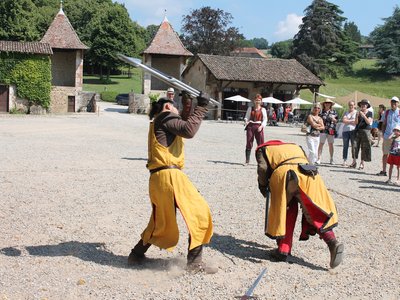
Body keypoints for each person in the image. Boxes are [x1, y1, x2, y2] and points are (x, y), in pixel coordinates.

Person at [128, 93, 217, 274]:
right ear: (168, 107)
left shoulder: (160, 122)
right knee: (199, 213)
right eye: (175, 106)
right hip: (170, 176)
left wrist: (188, 104)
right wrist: (201, 106)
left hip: (159, 178)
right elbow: (189, 130)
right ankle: (194, 263)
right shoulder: (165, 117)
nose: (177, 109)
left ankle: (136, 255)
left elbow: (183, 122)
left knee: (159, 222)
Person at [255, 140, 344, 269]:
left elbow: (263, 169)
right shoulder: (296, 146)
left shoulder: (263, 149)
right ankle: (332, 242)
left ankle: (283, 249)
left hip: (286, 174)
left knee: (285, 210)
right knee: (314, 211)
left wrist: (263, 187)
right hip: (309, 174)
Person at [377, 96, 400, 176]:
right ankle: (384, 171)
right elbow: (383, 124)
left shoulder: (399, 112)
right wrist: (383, 133)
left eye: (395, 102)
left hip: (397, 138)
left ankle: (397, 174)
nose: (393, 104)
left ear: (398, 103)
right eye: (392, 102)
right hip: (387, 136)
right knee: (385, 154)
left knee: (397, 155)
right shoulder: (387, 112)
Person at [244, 94, 267, 165]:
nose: (257, 101)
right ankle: (247, 161)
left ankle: (261, 161)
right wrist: (246, 121)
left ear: (261, 101)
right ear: (254, 101)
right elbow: (246, 117)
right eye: (256, 100)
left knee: (260, 144)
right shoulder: (250, 108)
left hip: (258, 126)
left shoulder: (263, 109)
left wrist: (262, 126)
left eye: (259, 100)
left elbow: (265, 119)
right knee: (249, 142)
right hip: (250, 126)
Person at [353, 99, 373, 170]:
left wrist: (364, 115)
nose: (363, 105)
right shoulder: (358, 112)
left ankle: (362, 163)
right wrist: (356, 116)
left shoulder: (370, 113)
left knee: (364, 147)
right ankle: (354, 162)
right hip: (358, 130)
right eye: (362, 104)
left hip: (366, 131)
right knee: (355, 146)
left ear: (367, 105)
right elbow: (355, 123)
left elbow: (368, 122)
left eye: (364, 104)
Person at [317, 99, 338, 165]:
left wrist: (333, 119)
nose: (327, 104)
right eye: (326, 103)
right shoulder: (321, 112)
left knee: (330, 144)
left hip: (331, 130)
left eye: (329, 103)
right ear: (324, 104)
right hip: (323, 130)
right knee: (321, 144)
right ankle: (319, 158)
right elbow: (318, 120)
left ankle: (331, 159)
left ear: (331, 104)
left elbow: (337, 121)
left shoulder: (334, 112)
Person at [342, 101, 357, 167]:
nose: (351, 106)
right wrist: (351, 121)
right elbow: (344, 121)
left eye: (352, 105)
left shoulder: (356, 112)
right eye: (349, 105)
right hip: (345, 131)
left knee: (353, 146)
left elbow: (356, 122)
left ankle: (354, 160)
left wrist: (348, 121)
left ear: (354, 105)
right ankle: (345, 160)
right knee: (345, 146)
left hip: (353, 130)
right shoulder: (346, 112)